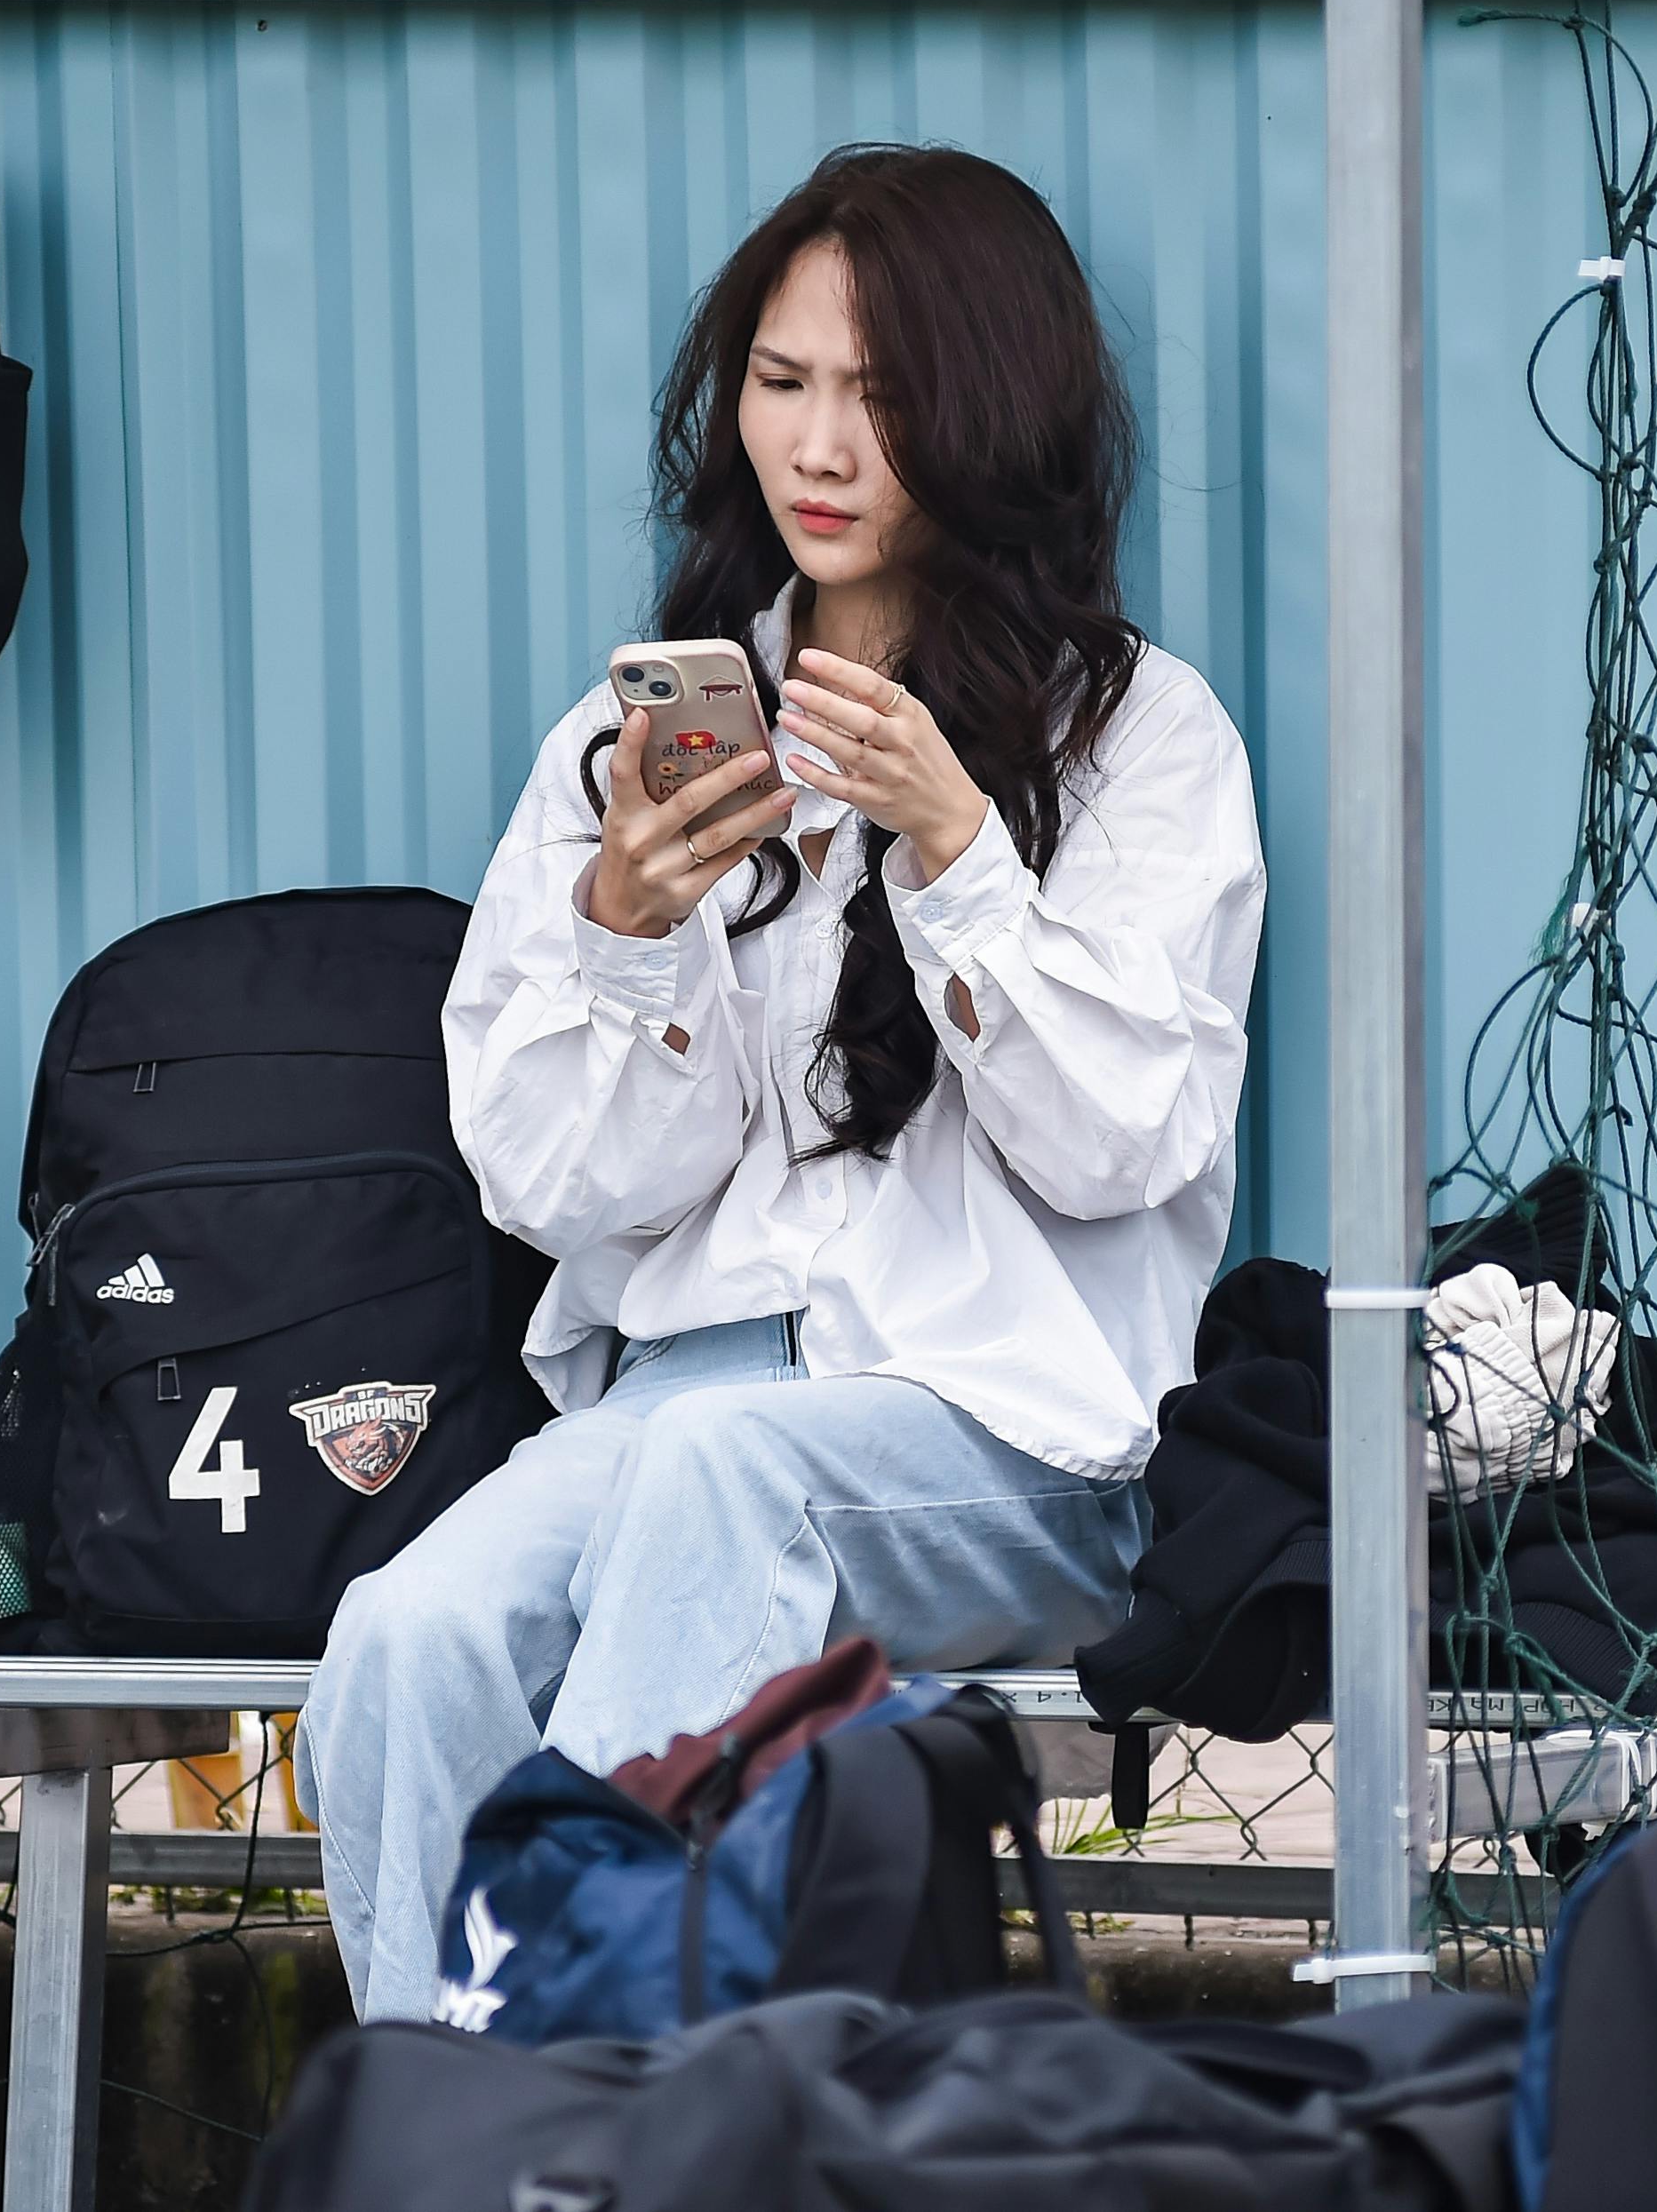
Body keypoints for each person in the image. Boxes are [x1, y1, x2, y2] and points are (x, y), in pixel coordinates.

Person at [296, 142, 1267, 2020]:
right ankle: (443, 2116)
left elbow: (1125, 1142)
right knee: (410, 1633)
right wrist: (628, 931)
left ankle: (603, 2115)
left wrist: (957, 852)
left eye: (880, 395)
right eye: (780, 380)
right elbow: (550, 1188)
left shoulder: (1140, 736)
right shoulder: (633, 744)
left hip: (1005, 1439)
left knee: (727, 1478)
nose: (818, 447)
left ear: (992, 413)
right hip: (680, 1403)